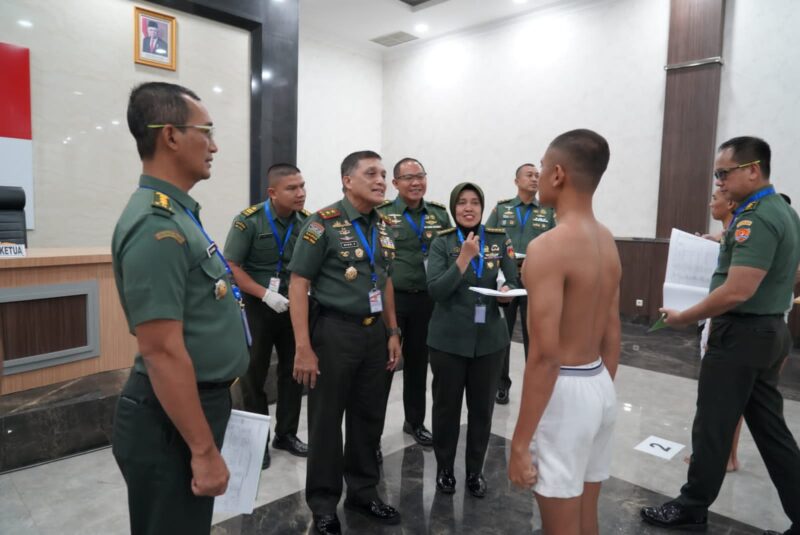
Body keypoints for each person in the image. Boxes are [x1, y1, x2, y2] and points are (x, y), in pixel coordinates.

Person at [641, 136, 800, 535]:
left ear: (753, 169)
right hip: (769, 331)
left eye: (723, 173)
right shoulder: (781, 210)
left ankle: (693, 505)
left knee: (712, 424)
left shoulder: (755, 218)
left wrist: (683, 318)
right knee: (771, 429)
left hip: (741, 335)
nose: (720, 182)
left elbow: (737, 290)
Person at [111, 82, 250, 535]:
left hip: (192, 407)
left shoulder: (178, 214)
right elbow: (161, 351)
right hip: (168, 422)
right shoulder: (157, 225)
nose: (214, 146)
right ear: (170, 136)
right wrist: (204, 451)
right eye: (205, 132)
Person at [508, 129, 620, 535]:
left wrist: (519, 443)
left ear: (558, 174)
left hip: (565, 390)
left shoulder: (548, 247)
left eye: (540, 166)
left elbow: (544, 355)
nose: (537, 175)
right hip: (599, 383)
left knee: (560, 525)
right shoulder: (607, 240)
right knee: (586, 517)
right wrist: (601, 391)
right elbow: (612, 330)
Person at [288, 151, 403, 535]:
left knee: (369, 417)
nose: (381, 180)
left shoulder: (384, 224)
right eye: (371, 173)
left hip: (374, 334)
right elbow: (299, 284)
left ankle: (363, 492)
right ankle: (323, 503)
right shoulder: (321, 225)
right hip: (334, 333)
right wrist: (303, 347)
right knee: (325, 421)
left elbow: (384, 280)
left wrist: (392, 331)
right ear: (347, 180)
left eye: (384, 174)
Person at [427, 182, 518, 498]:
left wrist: (506, 293)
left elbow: (512, 278)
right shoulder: (442, 243)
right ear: (453, 208)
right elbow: (437, 290)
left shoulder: (497, 238)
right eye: (462, 202)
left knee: (482, 411)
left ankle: (475, 471)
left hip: (490, 340)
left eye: (475, 202)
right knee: (446, 409)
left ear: (482, 206)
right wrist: (463, 258)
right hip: (448, 341)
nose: (468, 208)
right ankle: (445, 470)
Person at [223, 163, 310, 470]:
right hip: (257, 306)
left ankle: (286, 434)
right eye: (292, 188)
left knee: (293, 373)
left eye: (302, 186)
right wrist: (265, 294)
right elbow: (232, 266)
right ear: (273, 193)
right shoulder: (248, 222)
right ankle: (256, 440)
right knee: (253, 375)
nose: (300, 193)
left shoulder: (307, 223)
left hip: (293, 306)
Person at [376, 157, 452, 448]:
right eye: (408, 177)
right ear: (395, 183)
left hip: (427, 301)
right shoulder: (382, 213)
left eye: (420, 176)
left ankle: (415, 422)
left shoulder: (438, 214)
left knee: (419, 365)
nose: (416, 182)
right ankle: (374, 434)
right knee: (385, 365)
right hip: (393, 300)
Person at [485, 163, 556, 405]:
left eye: (538, 175)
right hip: (505, 279)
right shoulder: (502, 208)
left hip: (536, 281)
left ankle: (534, 385)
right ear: (516, 181)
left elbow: (557, 244)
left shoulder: (548, 211)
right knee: (501, 335)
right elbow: (488, 238)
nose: (535, 179)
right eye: (529, 175)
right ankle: (500, 385)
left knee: (533, 336)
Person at [697, 189, 742, 472]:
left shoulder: (738, 232)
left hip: (726, 322)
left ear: (731, 203)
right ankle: (722, 454)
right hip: (713, 317)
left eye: (715, 197)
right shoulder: (723, 235)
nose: (711, 201)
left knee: (724, 396)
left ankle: (725, 456)